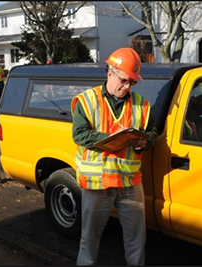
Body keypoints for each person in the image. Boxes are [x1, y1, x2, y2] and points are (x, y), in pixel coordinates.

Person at [71, 47, 158, 266]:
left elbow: (153, 133)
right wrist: (111, 137)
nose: (127, 86)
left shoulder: (142, 104)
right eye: (124, 80)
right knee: (89, 240)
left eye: (132, 82)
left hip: (130, 183)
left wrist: (144, 141)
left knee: (137, 240)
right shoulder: (86, 100)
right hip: (97, 183)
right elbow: (79, 135)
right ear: (110, 73)